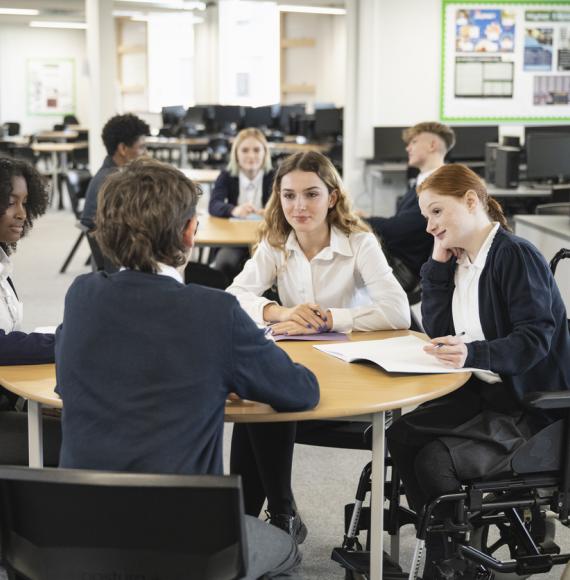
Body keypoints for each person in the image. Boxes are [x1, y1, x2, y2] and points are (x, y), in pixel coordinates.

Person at [56, 158, 319, 579]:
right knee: (286, 549)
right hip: (186, 544)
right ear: (189, 232)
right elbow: (302, 391)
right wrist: (227, 372)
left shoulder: (80, 297)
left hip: (81, 536)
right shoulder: (214, 312)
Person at [386, 164, 570, 579]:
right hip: (485, 394)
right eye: (425, 217)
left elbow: (535, 340)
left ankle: (449, 563)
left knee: (435, 463)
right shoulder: (463, 260)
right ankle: (447, 543)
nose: (430, 226)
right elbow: (438, 328)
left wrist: (473, 352)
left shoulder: (514, 255)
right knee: (398, 434)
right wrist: (436, 263)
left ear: (471, 201)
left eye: (437, 212)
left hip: (530, 406)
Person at [227, 151, 410, 541]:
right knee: (256, 398)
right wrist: (278, 310)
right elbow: (233, 296)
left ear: (332, 197)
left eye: (311, 194)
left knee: (265, 400)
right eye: (289, 195)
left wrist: (331, 318)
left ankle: (266, 516)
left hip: (351, 376)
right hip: (299, 369)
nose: (299, 206)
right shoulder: (277, 243)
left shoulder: (360, 243)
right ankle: (265, 517)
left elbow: (399, 312)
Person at [0, 157, 61, 464]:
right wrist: (60, 342)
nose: (21, 213)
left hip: (7, 395)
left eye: (25, 202)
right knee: (73, 439)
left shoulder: (2, 262)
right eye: (11, 203)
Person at [367, 121, 456, 282]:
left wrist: (355, 219)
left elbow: (398, 230)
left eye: (414, 142)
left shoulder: (438, 187)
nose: (408, 148)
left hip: (405, 268)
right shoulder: (423, 181)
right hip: (398, 257)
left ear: (432, 145)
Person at [80, 113, 149, 270]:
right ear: (123, 149)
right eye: (141, 147)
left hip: (110, 267)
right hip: (122, 268)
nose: (146, 154)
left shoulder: (108, 175)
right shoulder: (115, 185)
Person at [209, 127, 276, 283]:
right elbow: (214, 205)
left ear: (265, 153)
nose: (251, 156)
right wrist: (234, 210)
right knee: (225, 263)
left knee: (271, 269)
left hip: (266, 238)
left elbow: (286, 206)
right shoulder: (226, 175)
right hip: (233, 239)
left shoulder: (275, 176)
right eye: (245, 150)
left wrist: (271, 212)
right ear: (236, 154)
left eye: (256, 150)